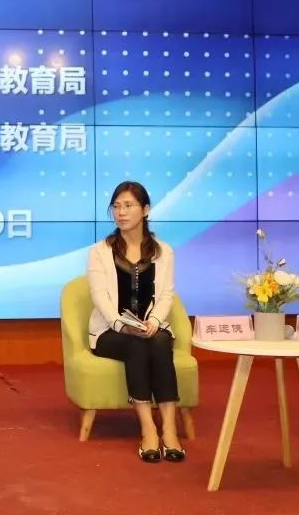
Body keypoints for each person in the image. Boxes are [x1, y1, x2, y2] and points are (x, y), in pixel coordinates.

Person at [87, 181, 185, 463]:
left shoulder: (164, 251)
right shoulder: (100, 251)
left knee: (160, 340)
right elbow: (99, 296)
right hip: (110, 332)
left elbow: (166, 294)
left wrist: (154, 320)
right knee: (136, 345)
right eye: (116, 206)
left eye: (128, 205)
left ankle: (170, 430)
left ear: (145, 210)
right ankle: (148, 429)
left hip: (151, 327)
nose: (121, 212)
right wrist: (121, 324)